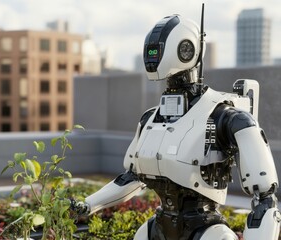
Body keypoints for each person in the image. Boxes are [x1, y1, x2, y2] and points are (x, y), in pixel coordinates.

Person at [71, 9, 281, 240]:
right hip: (158, 227)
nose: (153, 56)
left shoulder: (227, 118)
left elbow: (265, 200)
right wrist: (87, 205)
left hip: (205, 230)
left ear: (186, 49)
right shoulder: (151, 118)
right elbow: (131, 178)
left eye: (157, 50)